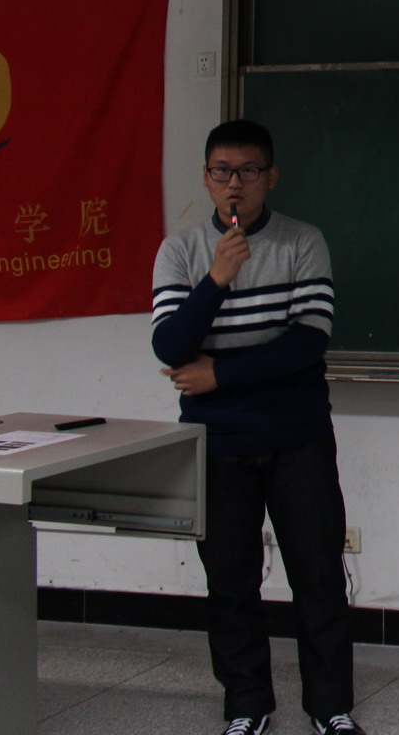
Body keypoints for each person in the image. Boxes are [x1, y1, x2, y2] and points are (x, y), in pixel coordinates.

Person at [152, 119, 364, 735]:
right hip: (217, 445)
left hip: (298, 438)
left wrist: (218, 374)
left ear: (271, 177)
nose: (234, 183)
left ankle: (330, 707)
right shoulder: (181, 252)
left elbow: (306, 344)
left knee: (318, 576)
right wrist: (217, 279)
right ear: (206, 178)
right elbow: (170, 346)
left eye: (248, 171)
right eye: (222, 171)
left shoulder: (303, 242)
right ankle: (247, 705)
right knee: (230, 582)